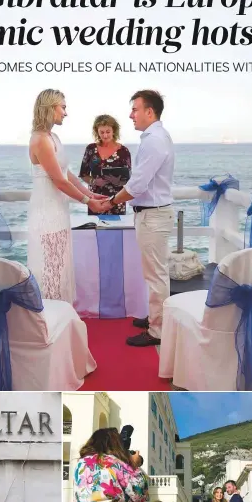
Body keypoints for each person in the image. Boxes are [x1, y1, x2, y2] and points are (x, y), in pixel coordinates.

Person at [100, 90, 175, 347]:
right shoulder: (155, 137)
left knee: (156, 275)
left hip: (153, 216)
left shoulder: (154, 140)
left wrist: (109, 202)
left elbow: (138, 185)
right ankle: (156, 318)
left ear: (149, 112)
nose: (131, 115)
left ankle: (158, 331)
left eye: (135, 109)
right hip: (150, 214)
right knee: (153, 273)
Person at [27, 89, 108, 304]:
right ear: (50, 108)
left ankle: (60, 310)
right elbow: (59, 181)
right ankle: (49, 314)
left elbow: (67, 174)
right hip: (47, 210)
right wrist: (88, 202)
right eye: (62, 107)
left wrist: (89, 192)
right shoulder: (41, 140)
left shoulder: (53, 137)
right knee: (50, 265)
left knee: (59, 263)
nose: (66, 112)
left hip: (58, 209)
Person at [79, 114, 132, 215]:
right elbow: (83, 174)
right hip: (95, 200)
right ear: (97, 132)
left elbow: (128, 179)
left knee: (116, 229)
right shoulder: (90, 149)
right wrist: (94, 181)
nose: (105, 135)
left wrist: (117, 181)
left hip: (116, 200)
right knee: (96, 229)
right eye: (101, 132)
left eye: (108, 132)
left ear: (114, 131)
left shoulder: (124, 151)